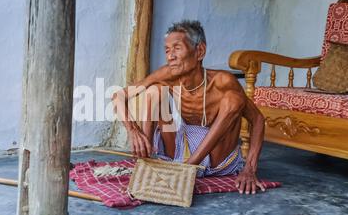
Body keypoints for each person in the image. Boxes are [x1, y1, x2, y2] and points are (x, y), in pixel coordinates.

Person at [112, 20, 266, 195]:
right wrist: (133, 130)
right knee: (154, 91)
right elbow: (119, 96)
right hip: (182, 148)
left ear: (199, 51)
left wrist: (250, 169)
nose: (170, 56)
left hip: (217, 157)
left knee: (233, 100)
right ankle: (144, 164)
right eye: (167, 50)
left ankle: (187, 168)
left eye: (177, 48)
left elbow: (258, 119)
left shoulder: (223, 82)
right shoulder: (167, 75)